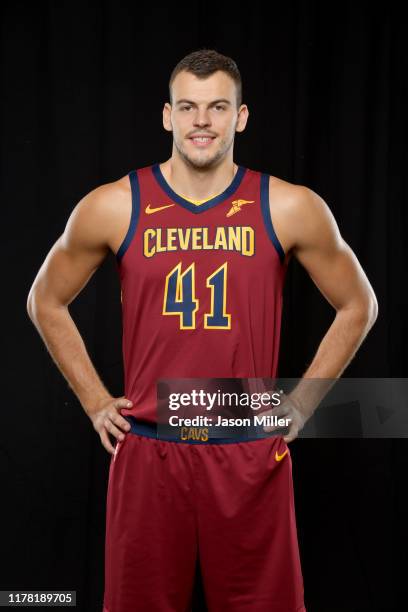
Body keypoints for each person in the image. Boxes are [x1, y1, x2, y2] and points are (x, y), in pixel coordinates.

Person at [26, 48, 378, 612]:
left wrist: (306, 403)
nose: (202, 122)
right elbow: (45, 300)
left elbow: (358, 305)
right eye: (188, 107)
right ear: (168, 116)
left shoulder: (288, 205)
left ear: (240, 118)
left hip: (246, 449)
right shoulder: (116, 204)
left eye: (218, 107)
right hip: (150, 446)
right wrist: (95, 401)